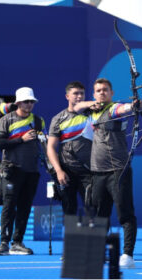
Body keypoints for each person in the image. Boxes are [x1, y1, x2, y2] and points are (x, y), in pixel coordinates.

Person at [73, 78, 141, 269]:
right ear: (94, 94)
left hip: (118, 171)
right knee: (97, 215)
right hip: (97, 172)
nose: (102, 93)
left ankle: (127, 255)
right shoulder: (92, 110)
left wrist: (134, 105)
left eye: (105, 90)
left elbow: (125, 109)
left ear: (111, 93)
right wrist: (91, 104)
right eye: (98, 90)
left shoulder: (114, 108)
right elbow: (77, 106)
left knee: (125, 214)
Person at [0, 87, 45, 256]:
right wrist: (21, 139)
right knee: (9, 206)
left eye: (32, 101)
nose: (29, 104)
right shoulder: (6, 120)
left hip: (31, 171)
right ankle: (3, 243)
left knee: (25, 207)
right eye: (26, 101)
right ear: (18, 103)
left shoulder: (38, 121)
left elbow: (44, 145)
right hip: (12, 170)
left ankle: (17, 242)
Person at [47, 81, 93, 215]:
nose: (79, 96)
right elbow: (51, 147)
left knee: (93, 209)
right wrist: (59, 170)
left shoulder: (92, 113)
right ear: (67, 96)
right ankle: (72, 237)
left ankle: (95, 237)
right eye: (75, 93)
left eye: (82, 93)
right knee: (69, 210)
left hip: (89, 171)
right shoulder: (58, 119)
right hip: (67, 172)